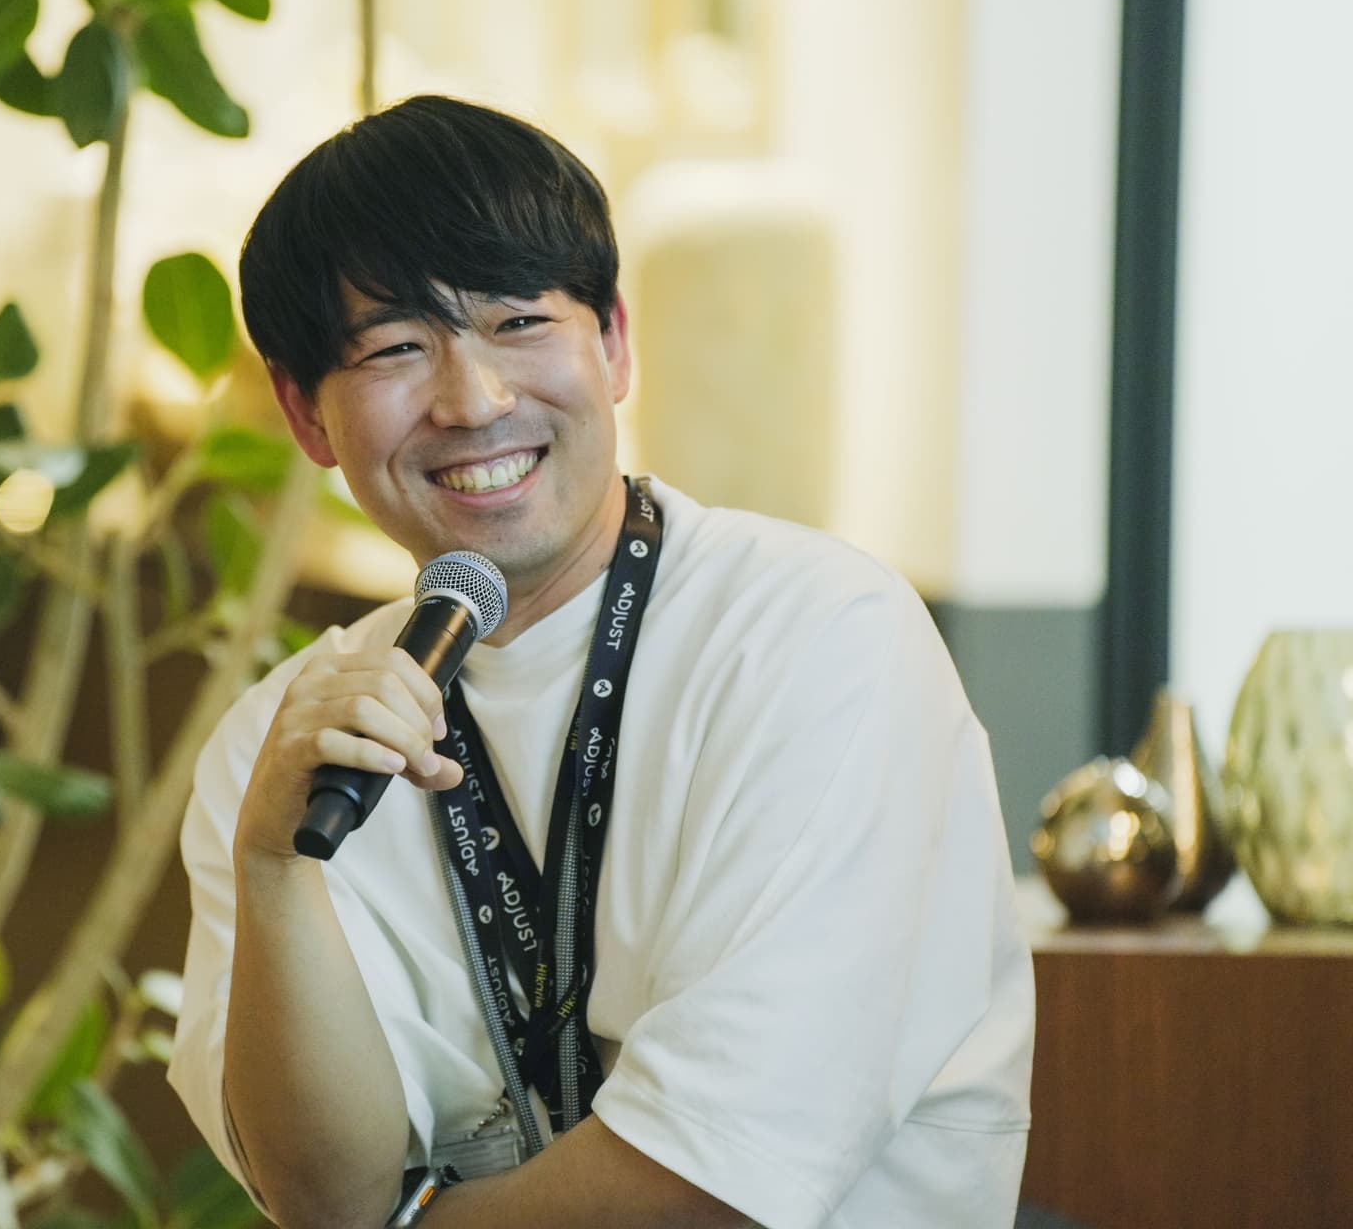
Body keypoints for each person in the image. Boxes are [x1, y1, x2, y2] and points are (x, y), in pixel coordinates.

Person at [168, 95, 1034, 1229]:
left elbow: (709, 1184)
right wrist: (280, 868)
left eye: (521, 322)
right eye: (395, 348)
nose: (472, 399)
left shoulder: (818, 640)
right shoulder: (286, 747)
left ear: (614, 340)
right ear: (306, 412)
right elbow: (325, 1199)